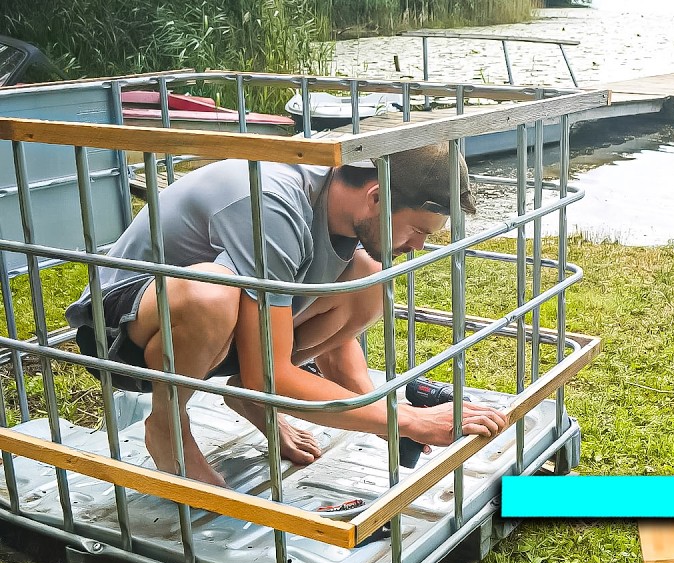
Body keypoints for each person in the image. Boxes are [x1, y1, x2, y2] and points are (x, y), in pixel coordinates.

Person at [66, 144, 509, 487]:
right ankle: (167, 423)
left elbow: (336, 348)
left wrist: (389, 419)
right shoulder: (274, 202)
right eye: (416, 230)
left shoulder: (340, 207)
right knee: (212, 291)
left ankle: (249, 398)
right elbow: (270, 374)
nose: (417, 246)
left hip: (214, 335)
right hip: (121, 335)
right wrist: (410, 420)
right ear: (376, 197)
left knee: (367, 279)